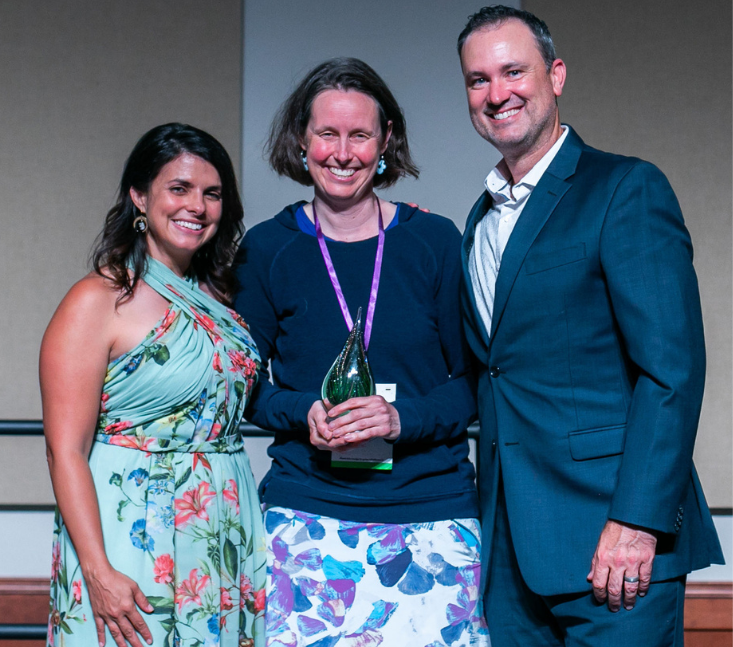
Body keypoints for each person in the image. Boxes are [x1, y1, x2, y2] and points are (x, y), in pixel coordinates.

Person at [455, 6, 724, 645]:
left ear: (557, 75)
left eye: (513, 71)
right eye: (477, 79)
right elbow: (494, 375)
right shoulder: (477, 221)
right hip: (511, 556)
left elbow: (672, 370)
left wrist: (637, 523)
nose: (497, 94)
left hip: (616, 547)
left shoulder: (624, 188)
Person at [233, 58, 488, 646]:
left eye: (359, 135)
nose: (342, 153)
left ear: (386, 141)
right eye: (327, 134)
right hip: (309, 514)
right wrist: (305, 411)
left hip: (432, 515)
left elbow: (474, 380)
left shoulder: (434, 241)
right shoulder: (269, 249)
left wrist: (404, 418)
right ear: (301, 139)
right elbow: (244, 387)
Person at [41, 123, 266, 647]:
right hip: (129, 535)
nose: (197, 206)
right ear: (140, 197)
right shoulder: (97, 300)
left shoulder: (223, 296)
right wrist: (97, 571)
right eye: (179, 188)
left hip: (219, 526)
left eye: (212, 194)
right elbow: (64, 450)